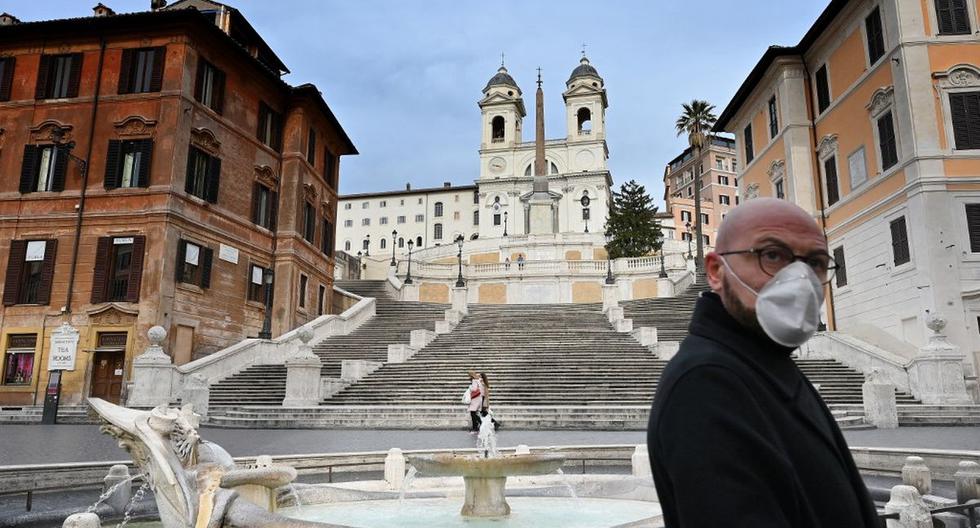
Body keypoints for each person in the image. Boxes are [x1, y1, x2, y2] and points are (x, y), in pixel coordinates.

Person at [647, 198, 878, 527]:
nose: (800, 278)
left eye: (815, 262)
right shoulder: (705, 384)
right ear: (715, 271)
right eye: (772, 255)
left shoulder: (766, 361)